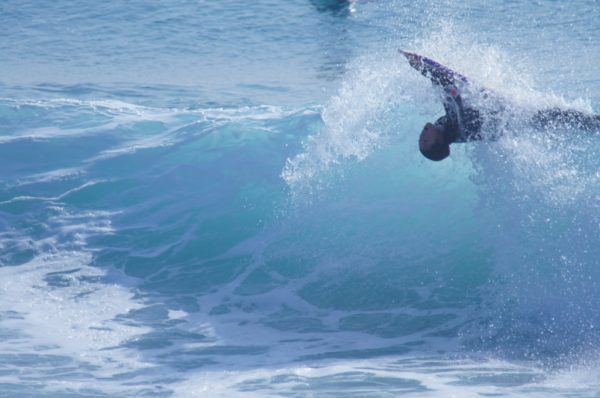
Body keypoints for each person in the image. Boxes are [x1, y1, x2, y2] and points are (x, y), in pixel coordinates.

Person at [400, 50, 600, 161]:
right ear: (440, 141)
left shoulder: (444, 126)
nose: (422, 137)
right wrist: (424, 67)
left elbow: (448, 89)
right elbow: (452, 90)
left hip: (507, 118)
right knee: (562, 117)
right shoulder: (455, 126)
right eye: (425, 142)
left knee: (567, 118)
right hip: (518, 119)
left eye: (421, 141)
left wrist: (427, 70)